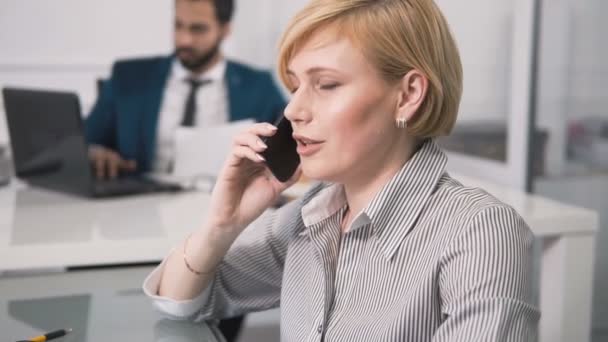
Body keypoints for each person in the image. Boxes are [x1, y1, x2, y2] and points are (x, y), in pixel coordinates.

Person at [143, 0, 540, 340]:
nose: (293, 110)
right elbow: (182, 303)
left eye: (327, 84)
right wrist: (222, 224)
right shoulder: (314, 214)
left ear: (408, 96)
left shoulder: (482, 234)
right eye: (296, 85)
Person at [85, 0, 285, 179]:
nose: (184, 40)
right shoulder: (128, 77)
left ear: (225, 30)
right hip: (139, 203)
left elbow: (290, 144)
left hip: (224, 204)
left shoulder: (258, 86)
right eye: (178, 26)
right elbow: (85, 142)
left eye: (198, 29)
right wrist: (95, 152)